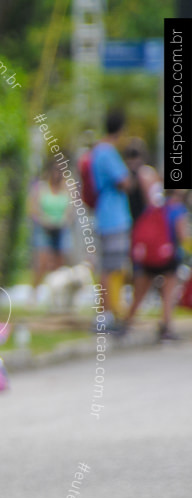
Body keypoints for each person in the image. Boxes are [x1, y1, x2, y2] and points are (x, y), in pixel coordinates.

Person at [123, 189, 187, 341]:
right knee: (168, 293)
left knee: (139, 293)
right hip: (168, 256)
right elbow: (182, 235)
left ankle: (126, 322)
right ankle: (166, 326)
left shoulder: (155, 207)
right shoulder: (178, 209)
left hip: (148, 256)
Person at [89, 109, 133, 331]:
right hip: (113, 216)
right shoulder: (107, 152)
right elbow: (123, 181)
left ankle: (110, 311)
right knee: (111, 268)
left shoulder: (98, 150)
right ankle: (107, 314)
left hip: (105, 214)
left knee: (110, 267)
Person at [28, 162, 73, 291]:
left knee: (60, 264)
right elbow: (34, 208)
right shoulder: (41, 188)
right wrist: (44, 220)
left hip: (61, 228)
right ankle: (35, 291)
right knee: (42, 261)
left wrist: (64, 220)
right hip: (44, 227)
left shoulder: (67, 188)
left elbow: (71, 210)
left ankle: (57, 294)